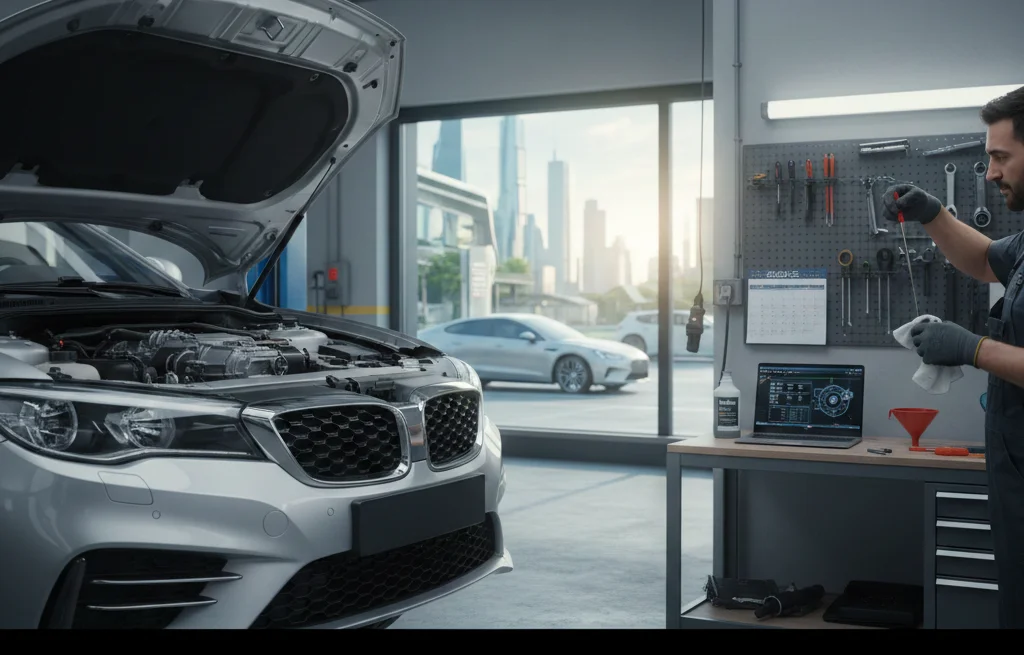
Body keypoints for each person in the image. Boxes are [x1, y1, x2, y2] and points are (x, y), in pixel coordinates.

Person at [881, 85, 1024, 628]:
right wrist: (933, 213)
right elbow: (987, 259)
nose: (989, 172)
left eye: (1000, 156)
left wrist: (973, 348)